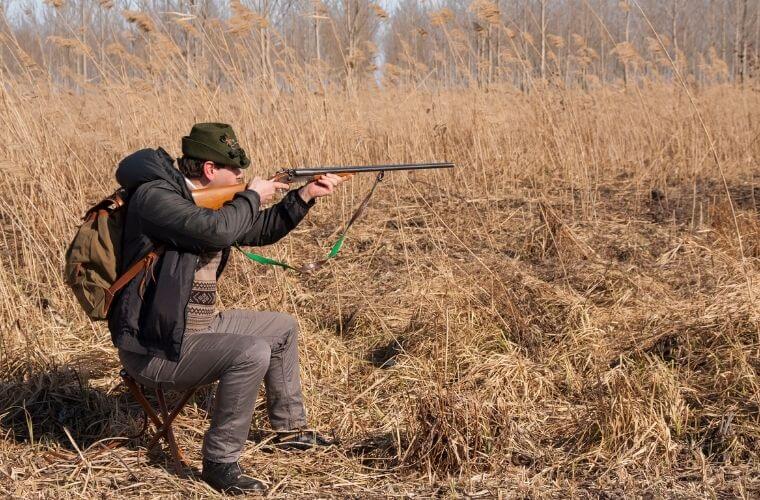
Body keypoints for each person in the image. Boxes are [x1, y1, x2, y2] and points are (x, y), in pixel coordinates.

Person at [108, 123, 345, 494]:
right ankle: (220, 461)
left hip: (196, 330)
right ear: (208, 170)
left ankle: (291, 430)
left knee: (280, 327)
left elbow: (256, 229)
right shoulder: (155, 199)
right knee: (251, 352)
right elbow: (217, 231)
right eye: (236, 171)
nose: (242, 177)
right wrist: (251, 195)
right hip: (155, 346)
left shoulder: (208, 203)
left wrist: (304, 196)